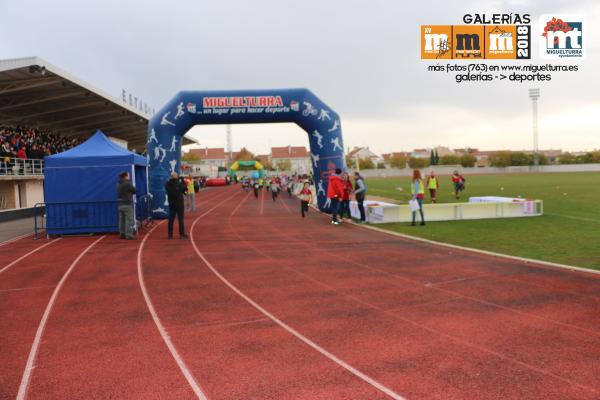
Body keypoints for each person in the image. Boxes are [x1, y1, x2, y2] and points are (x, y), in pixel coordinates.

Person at [165, 172, 188, 239]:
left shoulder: (167, 184)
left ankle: (170, 235)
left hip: (172, 204)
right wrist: (183, 181)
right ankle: (181, 234)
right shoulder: (179, 184)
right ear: (177, 177)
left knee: (171, 220)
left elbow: (168, 184)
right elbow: (185, 190)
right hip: (179, 204)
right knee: (180, 220)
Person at [116, 171, 136, 240]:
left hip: (120, 204)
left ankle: (122, 234)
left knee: (122, 220)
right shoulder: (127, 183)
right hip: (127, 204)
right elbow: (134, 190)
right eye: (128, 175)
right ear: (125, 176)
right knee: (129, 220)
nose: (129, 176)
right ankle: (129, 235)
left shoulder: (118, 183)